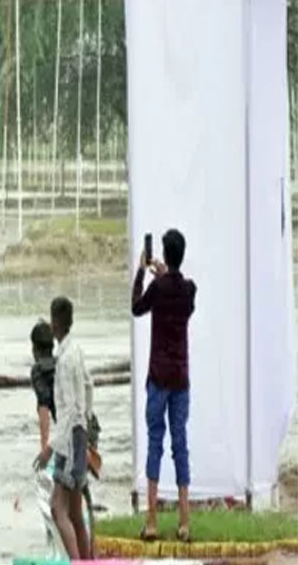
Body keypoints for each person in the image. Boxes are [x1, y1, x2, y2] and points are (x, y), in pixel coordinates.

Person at [133, 229, 197, 543]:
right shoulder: (189, 290)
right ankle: (184, 521)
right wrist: (165, 274)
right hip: (180, 378)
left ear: (163, 254)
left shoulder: (156, 288)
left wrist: (140, 272)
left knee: (155, 444)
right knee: (180, 444)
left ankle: (152, 520)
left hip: (158, 377)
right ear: (181, 254)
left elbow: (136, 307)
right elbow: (182, 295)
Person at [34, 297, 92, 561]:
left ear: (56, 323)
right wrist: (86, 422)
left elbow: (66, 410)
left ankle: (78, 561)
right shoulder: (77, 351)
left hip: (69, 440)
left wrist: (50, 448)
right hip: (79, 432)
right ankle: (88, 559)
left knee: (59, 509)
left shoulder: (65, 360)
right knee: (75, 511)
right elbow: (89, 387)